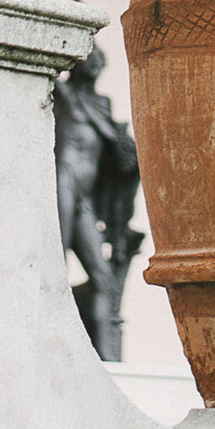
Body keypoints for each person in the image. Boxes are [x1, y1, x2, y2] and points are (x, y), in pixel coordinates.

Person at [56, 44, 143, 360]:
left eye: (99, 61)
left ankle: (109, 362)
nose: (95, 65)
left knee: (104, 278)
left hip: (86, 197)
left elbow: (118, 157)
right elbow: (48, 75)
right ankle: (53, 345)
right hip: (62, 182)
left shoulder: (102, 105)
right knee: (56, 265)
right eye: (89, 59)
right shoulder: (63, 97)